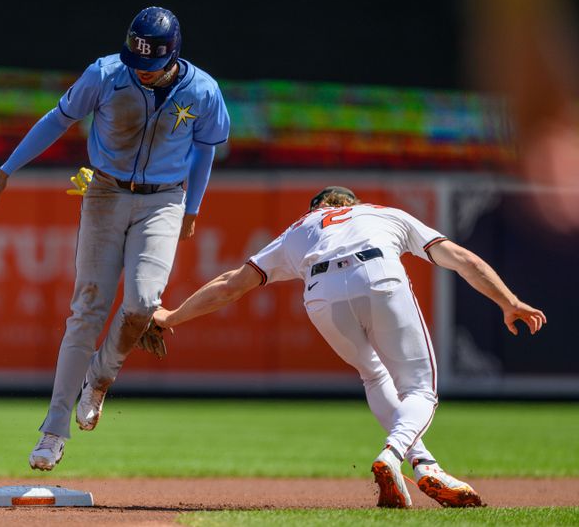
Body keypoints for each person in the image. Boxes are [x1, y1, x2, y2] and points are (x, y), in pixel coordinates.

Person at [152, 186, 546, 508]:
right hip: (377, 274)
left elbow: (230, 284)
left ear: (317, 209)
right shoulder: (382, 213)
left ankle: (425, 465)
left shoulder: (299, 229)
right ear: (351, 205)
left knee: (373, 375)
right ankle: (392, 455)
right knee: (419, 389)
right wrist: (508, 301)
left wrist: (170, 317)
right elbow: (459, 258)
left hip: (320, 294)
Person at [0, 7, 230, 471]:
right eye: (135, 59)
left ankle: (100, 376)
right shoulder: (106, 73)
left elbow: (205, 150)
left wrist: (193, 207)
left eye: (151, 62)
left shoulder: (204, 90)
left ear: (173, 55)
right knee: (87, 310)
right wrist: (7, 169)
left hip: (164, 202)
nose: (142, 69)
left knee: (142, 304)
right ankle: (54, 429)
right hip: (105, 192)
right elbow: (58, 119)